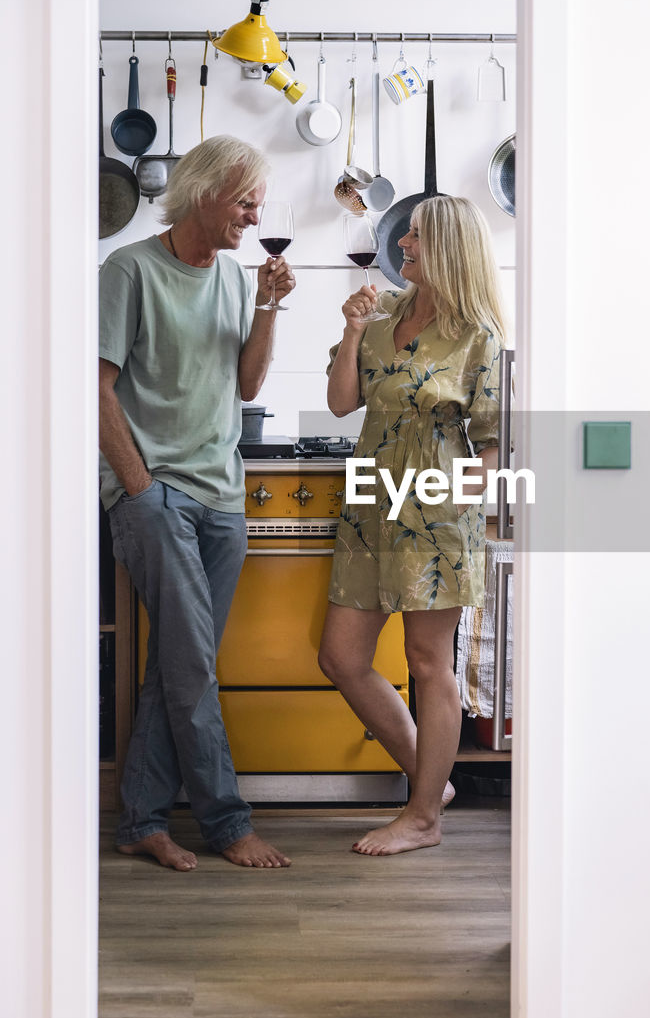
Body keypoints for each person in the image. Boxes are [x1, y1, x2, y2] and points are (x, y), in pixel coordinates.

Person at [99, 135, 295, 872]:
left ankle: (141, 820)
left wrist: (270, 306)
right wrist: (140, 488)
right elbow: (96, 390)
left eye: (257, 202)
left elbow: (246, 386)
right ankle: (226, 822)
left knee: (180, 664)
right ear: (204, 192)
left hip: (223, 495)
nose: (254, 213)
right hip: (159, 496)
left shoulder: (240, 279)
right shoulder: (128, 271)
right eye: (245, 200)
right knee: (191, 667)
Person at [318, 195, 507, 855]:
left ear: (450, 247)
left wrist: (460, 495)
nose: (404, 244)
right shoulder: (385, 315)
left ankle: (422, 815)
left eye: (418, 237)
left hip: (436, 516)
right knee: (341, 658)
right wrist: (348, 331)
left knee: (428, 664)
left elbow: (495, 443)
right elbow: (342, 402)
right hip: (371, 507)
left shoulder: (478, 337)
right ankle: (432, 786)